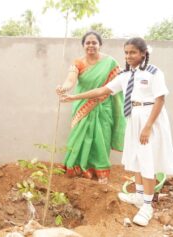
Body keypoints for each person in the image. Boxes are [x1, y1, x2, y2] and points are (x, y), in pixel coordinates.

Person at [60, 37, 173, 226]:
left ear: (143, 53)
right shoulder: (126, 76)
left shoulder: (154, 73)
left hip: (149, 118)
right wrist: (73, 97)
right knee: (137, 159)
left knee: (147, 161)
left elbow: (160, 100)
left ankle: (147, 206)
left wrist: (148, 127)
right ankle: (138, 195)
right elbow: (101, 91)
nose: (128, 56)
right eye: (126, 52)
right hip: (134, 118)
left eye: (133, 52)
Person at [56, 31, 125, 183]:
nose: (91, 45)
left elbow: (117, 85)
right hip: (82, 105)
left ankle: (101, 171)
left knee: (102, 138)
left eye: (94, 42)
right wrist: (64, 88)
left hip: (103, 105)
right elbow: (70, 80)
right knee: (80, 136)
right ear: (83, 45)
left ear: (100, 45)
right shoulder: (78, 63)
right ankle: (77, 167)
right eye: (88, 43)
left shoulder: (110, 62)